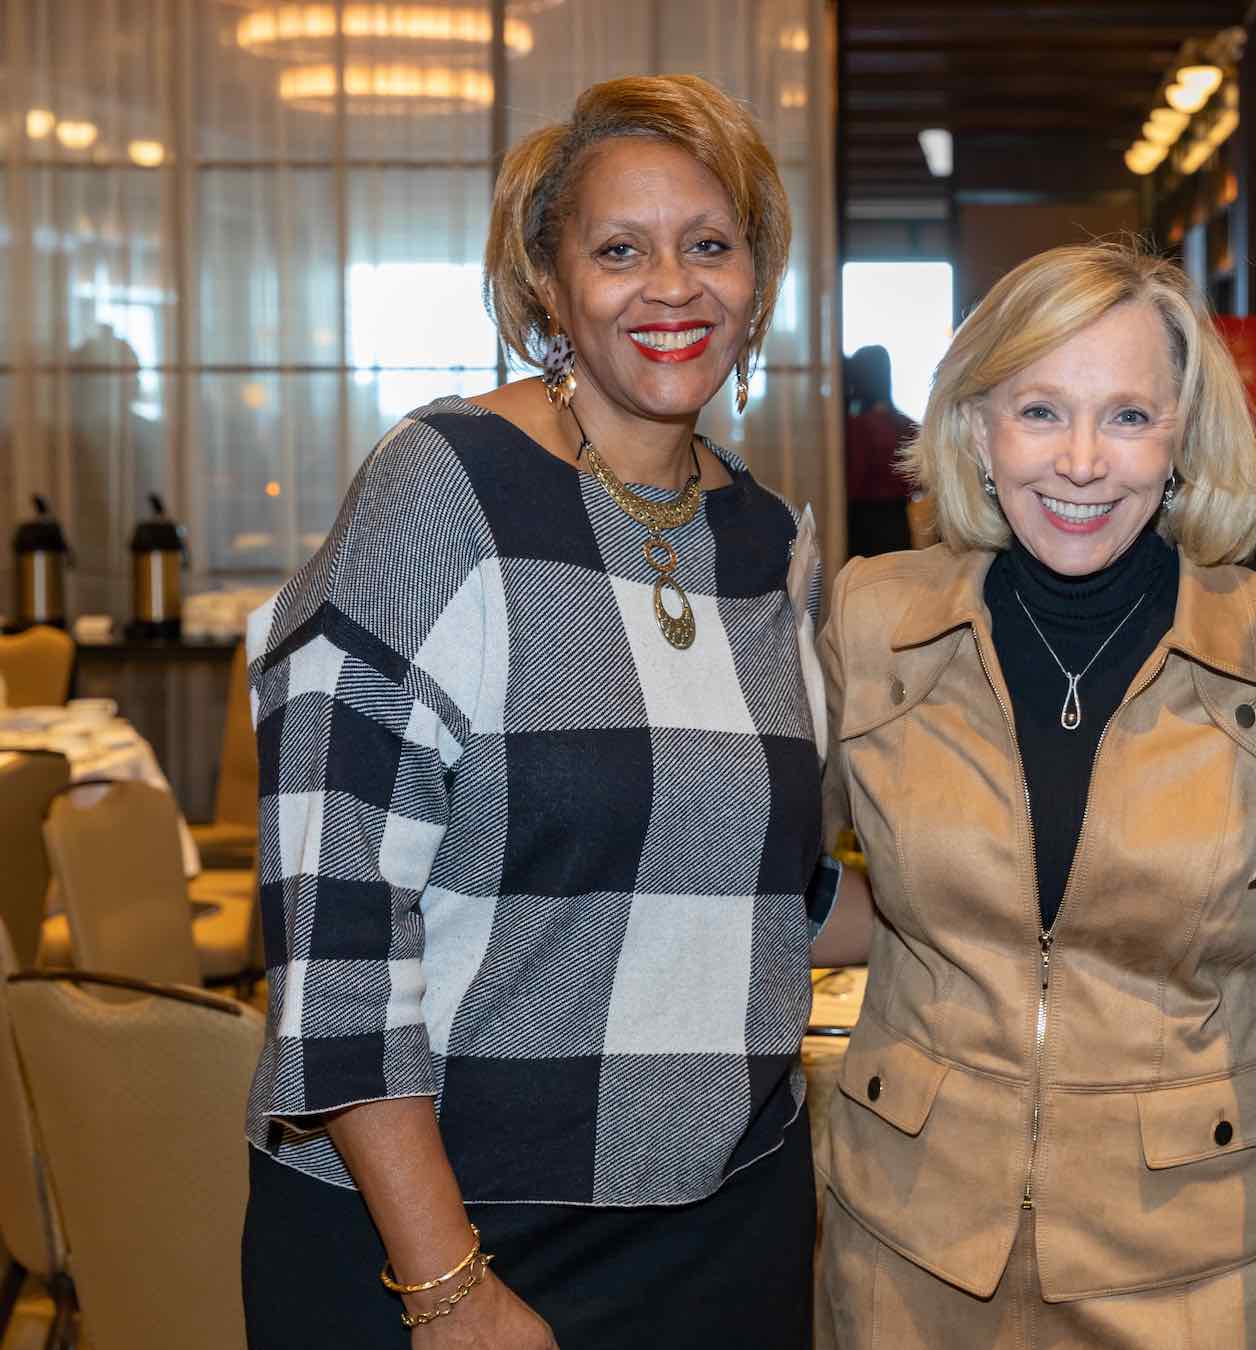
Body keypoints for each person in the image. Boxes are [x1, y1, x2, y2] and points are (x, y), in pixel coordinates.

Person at [240, 75, 833, 1346]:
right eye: (619, 250)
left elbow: (770, 898)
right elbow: (329, 928)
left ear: (757, 280)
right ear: (547, 289)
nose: (672, 287)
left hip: (727, 1222)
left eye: (710, 245)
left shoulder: (769, 542)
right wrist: (447, 1283)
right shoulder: (445, 492)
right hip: (450, 1231)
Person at [811, 240, 1256, 1347]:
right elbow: (763, 869)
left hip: (1198, 1261)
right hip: (907, 1245)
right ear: (976, 428)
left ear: (1184, 442)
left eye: (1127, 417)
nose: (1080, 462)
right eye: (1041, 411)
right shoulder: (872, 620)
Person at [843, 344, 919, 557]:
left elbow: (852, 478)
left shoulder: (850, 428)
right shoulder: (907, 426)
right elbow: (919, 481)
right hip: (898, 523)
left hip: (860, 524)